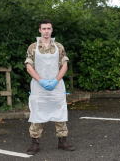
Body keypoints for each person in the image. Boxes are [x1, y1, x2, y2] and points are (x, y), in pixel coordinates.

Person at [24, 19, 75, 155]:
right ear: (40, 30)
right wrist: (41, 81)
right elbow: (28, 66)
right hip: (38, 86)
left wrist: (55, 81)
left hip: (56, 86)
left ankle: (62, 140)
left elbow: (64, 65)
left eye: (49, 28)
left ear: (52, 30)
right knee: (36, 112)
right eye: (44, 28)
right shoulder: (33, 47)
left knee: (60, 112)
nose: (46, 31)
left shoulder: (59, 47)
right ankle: (35, 143)